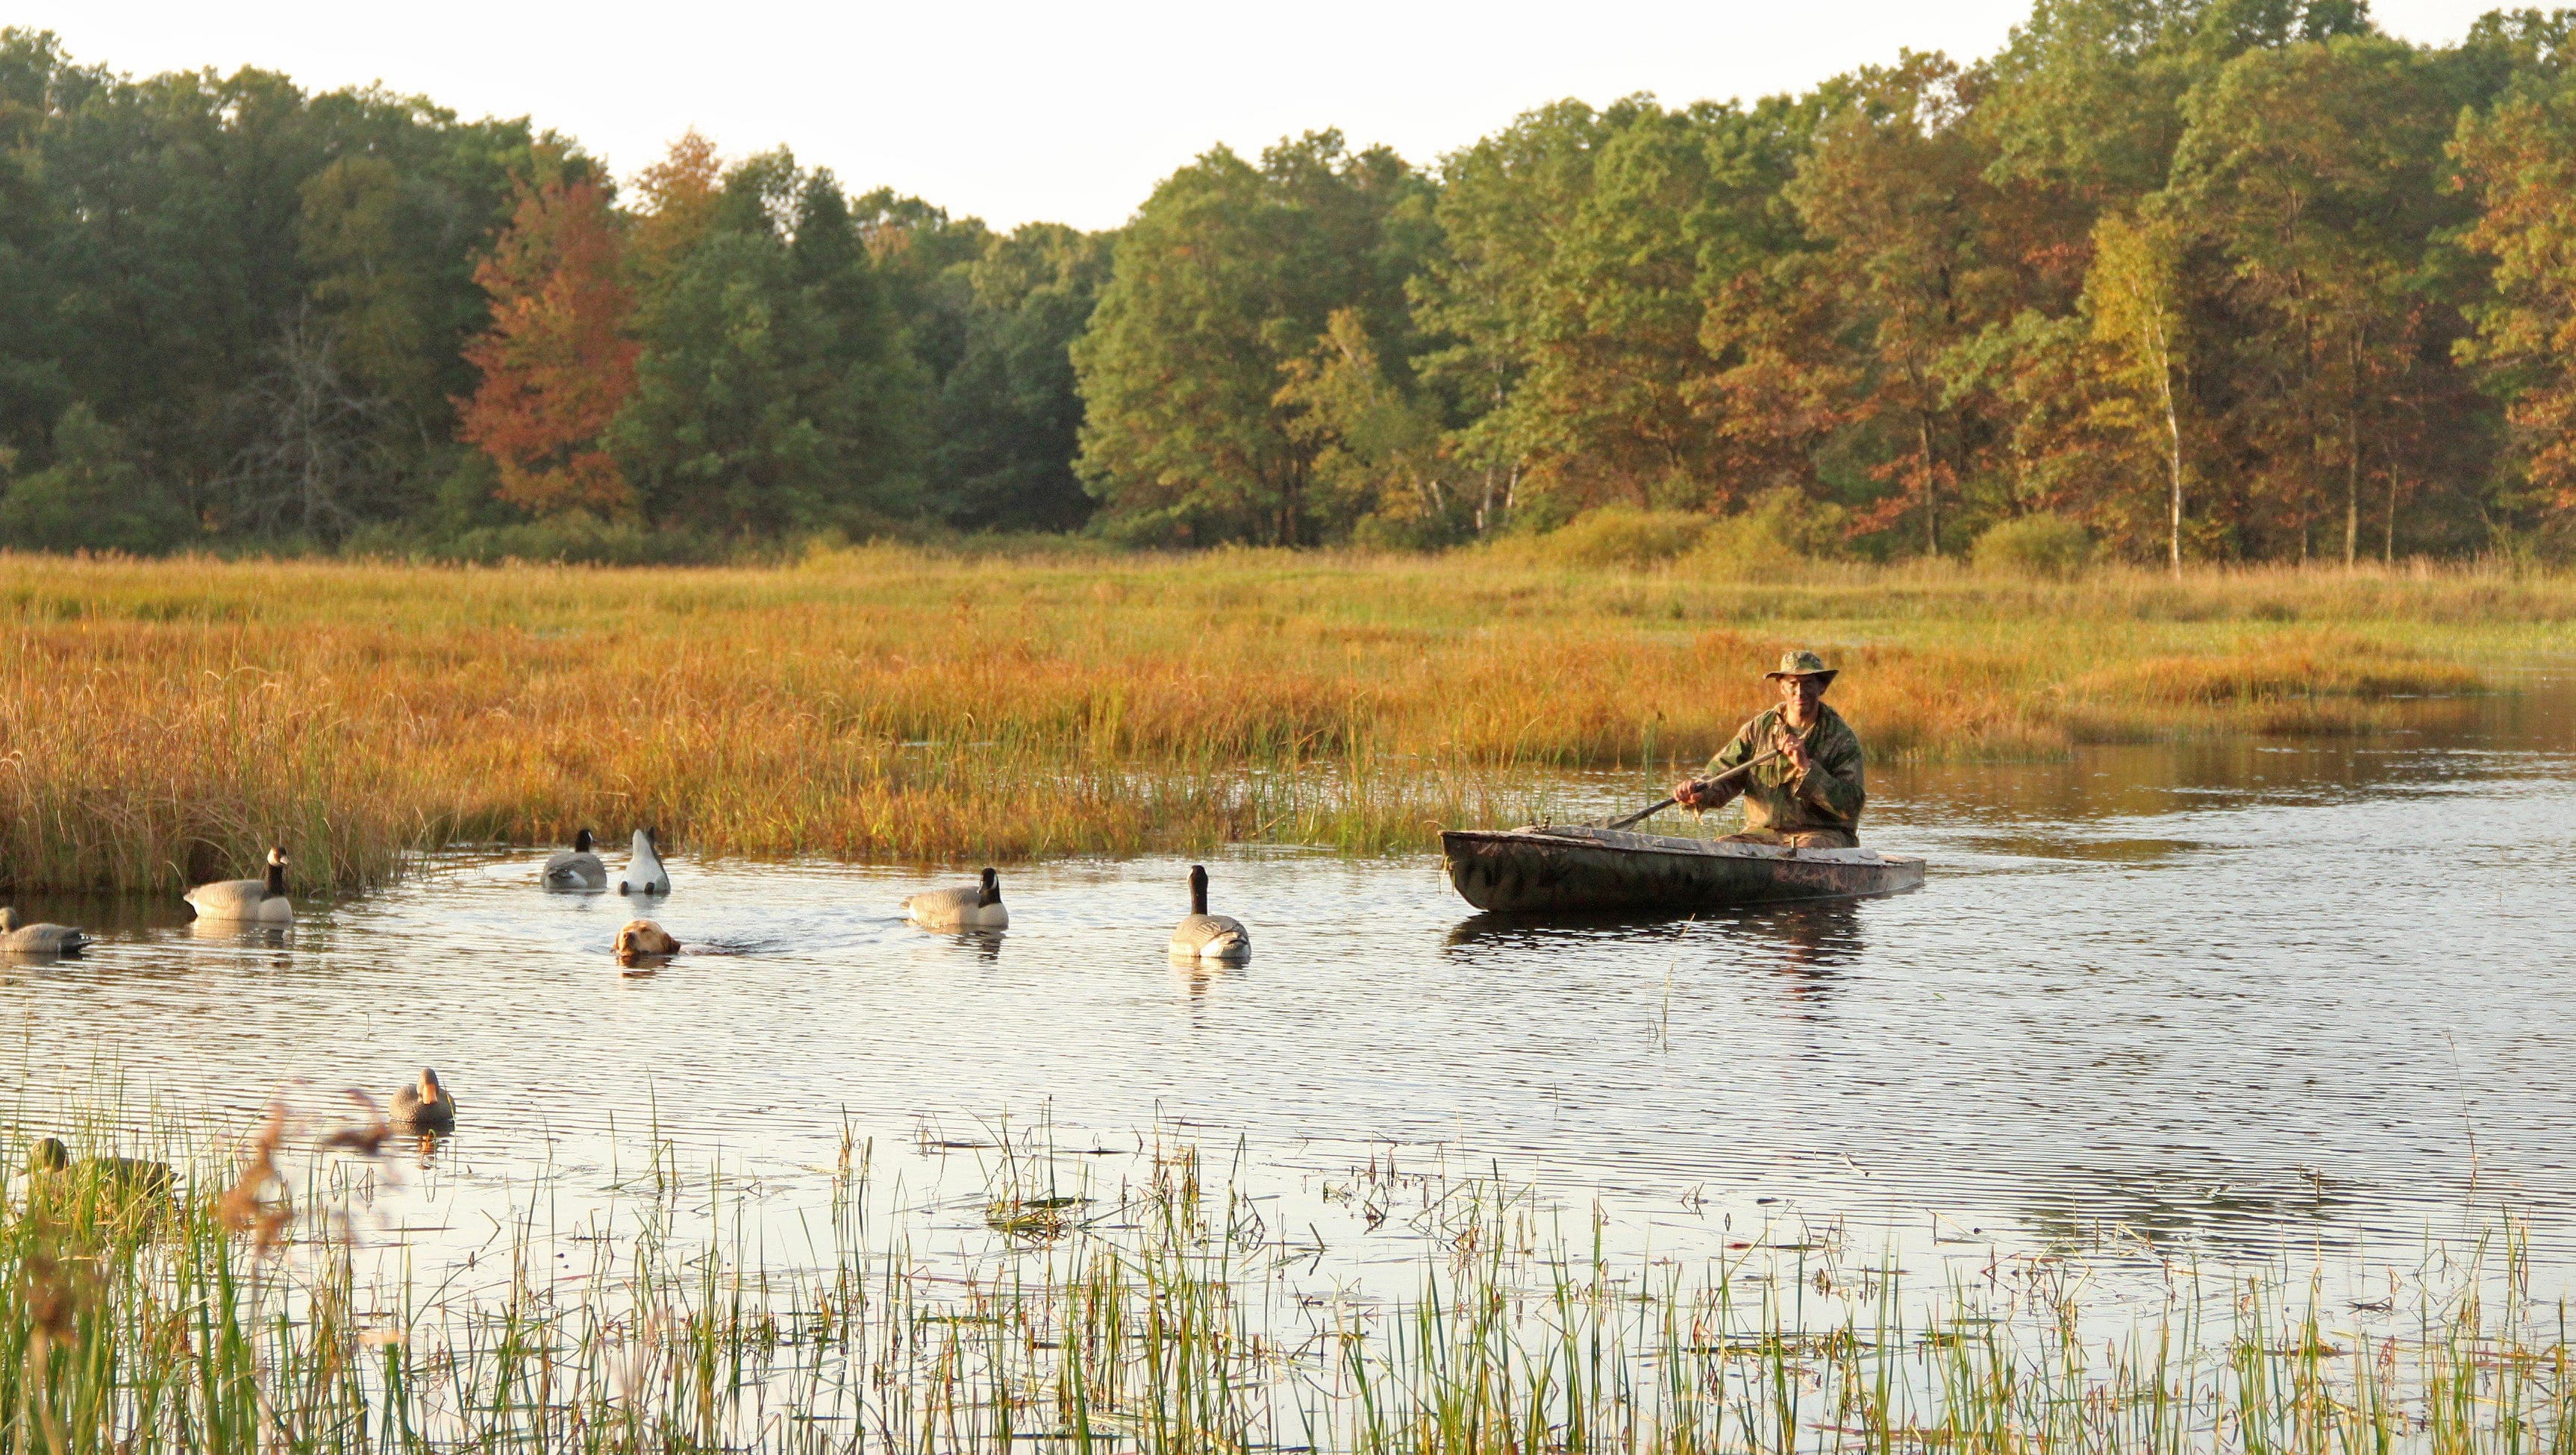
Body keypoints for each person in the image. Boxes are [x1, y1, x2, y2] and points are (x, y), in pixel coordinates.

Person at [1669, 649, 1864, 849]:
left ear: (1822, 687)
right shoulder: (1759, 729)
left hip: (1822, 836)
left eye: (1808, 684)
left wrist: (1806, 768)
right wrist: (1698, 793)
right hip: (1762, 835)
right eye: (1793, 684)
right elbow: (1724, 776)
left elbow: (1851, 806)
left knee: (1804, 852)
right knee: (1722, 847)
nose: (1799, 692)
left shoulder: (1841, 738)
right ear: (1781, 687)